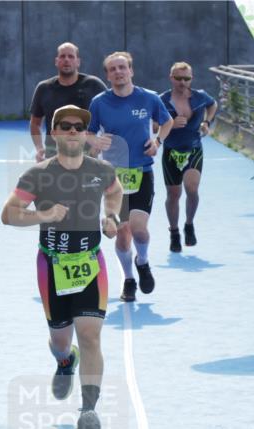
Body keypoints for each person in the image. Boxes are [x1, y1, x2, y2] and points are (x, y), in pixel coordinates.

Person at [1, 105, 124, 429]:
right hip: (52, 265)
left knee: (90, 335)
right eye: (65, 126)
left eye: (78, 127)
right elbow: (8, 214)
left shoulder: (102, 170)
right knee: (61, 340)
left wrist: (111, 217)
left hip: (89, 263)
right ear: (54, 133)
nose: (72, 131)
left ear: (86, 134)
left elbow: (114, 193)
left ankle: (88, 410)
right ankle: (64, 361)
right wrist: (43, 216)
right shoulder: (37, 174)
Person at [88, 51, 172, 303]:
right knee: (122, 233)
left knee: (139, 231)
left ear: (131, 71)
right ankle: (128, 279)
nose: (118, 72)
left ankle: (143, 261)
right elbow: (88, 135)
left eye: (122, 67)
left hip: (142, 172)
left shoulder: (149, 98)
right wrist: (96, 141)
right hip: (113, 176)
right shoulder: (99, 102)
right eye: (112, 69)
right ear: (108, 75)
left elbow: (166, 122)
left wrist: (158, 141)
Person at [159, 62, 217, 252]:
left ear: (191, 78)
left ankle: (189, 224)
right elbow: (152, 126)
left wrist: (207, 122)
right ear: (171, 78)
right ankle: (174, 232)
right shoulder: (162, 100)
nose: (182, 82)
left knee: (192, 188)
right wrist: (170, 124)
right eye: (178, 78)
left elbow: (213, 104)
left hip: (193, 148)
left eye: (187, 78)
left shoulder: (200, 96)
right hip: (171, 151)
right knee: (173, 194)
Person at [29, 42, 106, 161]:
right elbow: (35, 123)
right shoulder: (44, 88)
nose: (66, 60)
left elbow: (110, 116)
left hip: (87, 155)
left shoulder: (94, 85)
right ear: (56, 61)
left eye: (71, 56)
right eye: (62, 56)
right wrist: (39, 148)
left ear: (78, 62)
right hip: (54, 154)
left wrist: (99, 143)